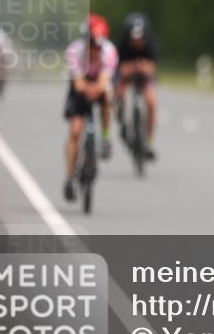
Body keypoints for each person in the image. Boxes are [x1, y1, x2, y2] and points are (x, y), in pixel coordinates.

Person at [62, 13, 118, 202]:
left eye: (98, 46)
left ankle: (105, 136)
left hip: (98, 83)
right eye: (92, 45)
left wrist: (99, 89)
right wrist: (88, 89)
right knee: (75, 131)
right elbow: (78, 84)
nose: (95, 50)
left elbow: (105, 80)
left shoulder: (109, 51)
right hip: (80, 85)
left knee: (108, 97)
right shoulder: (74, 51)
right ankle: (69, 178)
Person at [115, 12, 159, 160]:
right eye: (134, 40)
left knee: (152, 103)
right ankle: (123, 123)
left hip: (144, 77)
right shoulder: (122, 45)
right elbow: (120, 68)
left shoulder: (151, 44)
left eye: (140, 39)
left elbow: (151, 68)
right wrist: (135, 67)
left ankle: (149, 141)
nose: (137, 43)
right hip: (126, 77)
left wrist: (139, 68)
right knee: (119, 94)